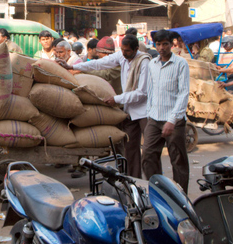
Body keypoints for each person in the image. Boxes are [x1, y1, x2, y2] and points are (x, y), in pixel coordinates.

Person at [59, 35, 150, 178]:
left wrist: (116, 99)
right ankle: (134, 181)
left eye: (127, 51)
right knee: (130, 150)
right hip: (128, 109)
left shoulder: (143, 62)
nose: (124, 54)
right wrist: (73, 66)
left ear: (136, 49)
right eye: (123, 50)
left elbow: (142, 93)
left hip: (144, 111)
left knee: (149, 153)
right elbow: (99, 64)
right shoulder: (122, 56)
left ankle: (153, 183)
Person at [142, 29, 190, 193]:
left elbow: (183, 93)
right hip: (154, 118)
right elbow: (151, 90)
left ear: (171, 45)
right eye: (158, 44)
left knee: (178, 160)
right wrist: (149, 113)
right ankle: (158, 191)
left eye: (165, 44)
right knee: (148, 155)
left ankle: (181, 196)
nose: (161, 47)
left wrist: (172, 120)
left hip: (174, 120)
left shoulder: (180, 63)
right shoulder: (152, 64)